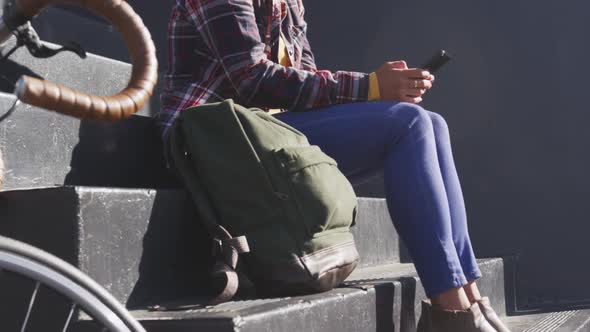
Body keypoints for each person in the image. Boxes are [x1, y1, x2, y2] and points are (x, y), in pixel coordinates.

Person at [158, 0, 510, 331]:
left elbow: (305, 79)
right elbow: (251, 79)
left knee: (431, 122)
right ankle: (450, 310)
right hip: (218, 142)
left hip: (272, 135)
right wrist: (370, 87)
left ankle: (470, 295)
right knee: (409, 124)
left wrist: (385, 92)